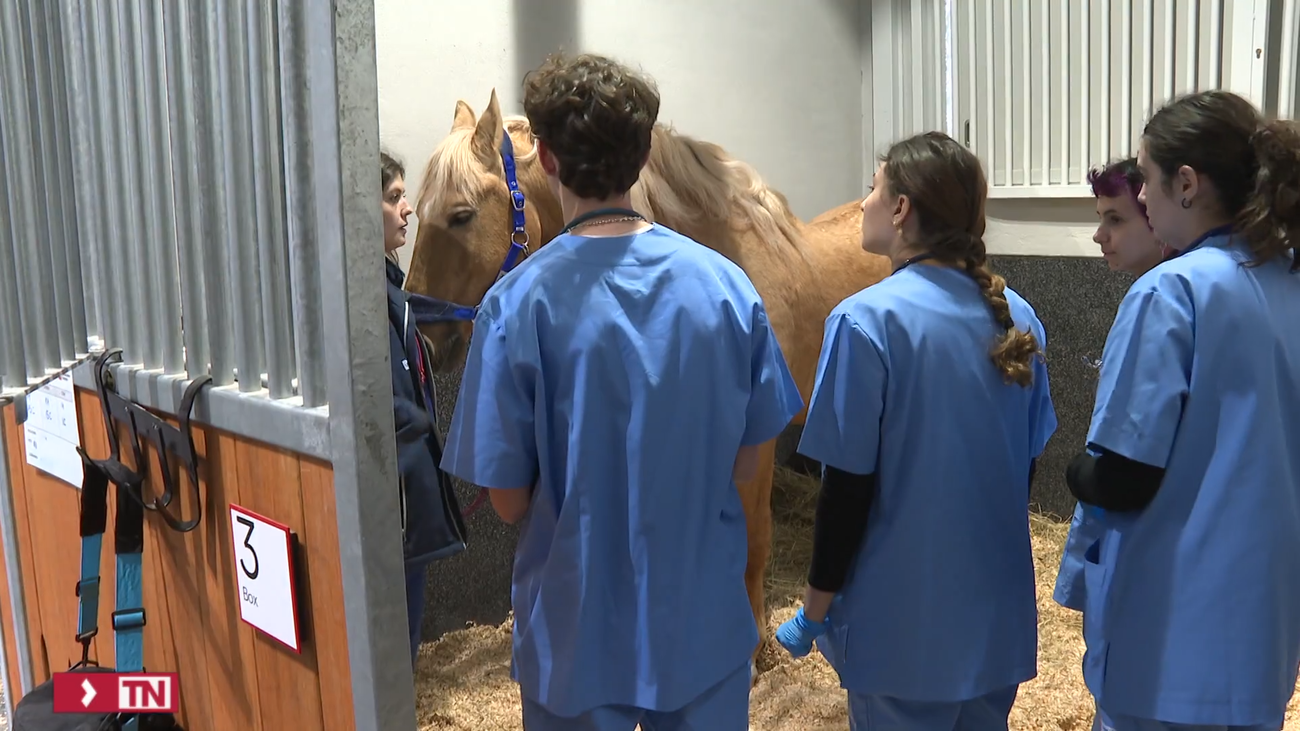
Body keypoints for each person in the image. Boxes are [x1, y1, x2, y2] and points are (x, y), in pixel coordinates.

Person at [438, 52, 803, 731]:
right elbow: (752, 463)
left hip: (573, 637)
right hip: (703, 631)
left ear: (542, 157)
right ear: (642, 158)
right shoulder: (727, 289)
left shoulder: (516, 306)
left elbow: (511, 502)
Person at [774, 131, 1057, 731]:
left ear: (901, 209)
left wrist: (816, 609)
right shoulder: (1020, 319)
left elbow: (845, 489)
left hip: (902, 629)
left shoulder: (864, 322)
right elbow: (1023, 471)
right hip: (995, 626)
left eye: (873, 189)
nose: (864, 203)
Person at [1064, 90, 1300, 731]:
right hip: (1261, 642)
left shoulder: (1172, 292)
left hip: (1169, 645)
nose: (1139, 198)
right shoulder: (1287, 280)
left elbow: (1122, 475)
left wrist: (1075, 473)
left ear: (1187, 185)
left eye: (1144, 180)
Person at [1056, 157, 1174, 731]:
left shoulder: (1159, 297)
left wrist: (1078, 474)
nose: (1100, 235)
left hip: (1150, 578)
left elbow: (1121, 474)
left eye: (1116, 219)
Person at [381, 151, 468, 666]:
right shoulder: (365, 294)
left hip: (408, 481)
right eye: (394, 198)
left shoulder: (390, 283)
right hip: (395, 487)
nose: (408, 209)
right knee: (398, 628)